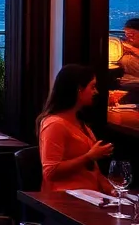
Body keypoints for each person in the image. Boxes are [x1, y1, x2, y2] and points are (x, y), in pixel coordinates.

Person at [38, 64, 114, 194]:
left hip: (91, 196)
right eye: (92, 87)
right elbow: (50, 172)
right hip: (65, 200)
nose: (96, 92)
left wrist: (113, 191)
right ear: (79, 89)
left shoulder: (81, 124)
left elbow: (95, 172)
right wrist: (88, 157)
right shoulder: (54, 125)